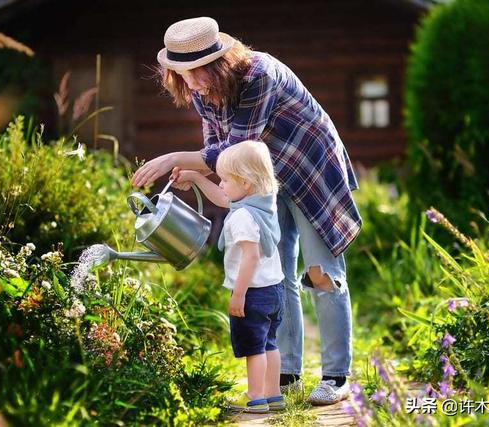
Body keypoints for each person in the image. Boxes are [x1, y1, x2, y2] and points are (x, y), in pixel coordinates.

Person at [132, 16, 362, 405]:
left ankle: (337, 376)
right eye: (182, 73)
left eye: (198, 71)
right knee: (276, 272)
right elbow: (219, 155)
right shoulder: (203, 91)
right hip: (263, 178)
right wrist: (197, 173)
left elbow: (236, 147)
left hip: (308, 166)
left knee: (322, 272)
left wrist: (175, 156)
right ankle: (286, 373)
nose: (193, 82)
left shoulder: (260, 75)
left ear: (219, 61)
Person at [172, 140, 285, 413]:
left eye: (224, 179)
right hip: (274, 289)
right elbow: (226, 198)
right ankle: (274, 394)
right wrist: (197, 177)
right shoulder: (262, 202)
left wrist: (239, 293)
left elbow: (251, 256)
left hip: (252, 292)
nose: (221, 184)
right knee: (269, 344)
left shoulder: (242, 217)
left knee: (253, 348)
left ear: (245, 183)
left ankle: (255, 397)